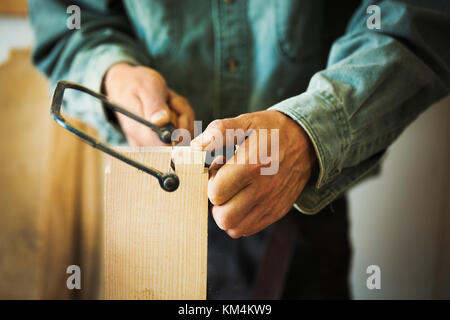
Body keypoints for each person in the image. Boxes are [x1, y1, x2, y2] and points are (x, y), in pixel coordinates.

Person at [29, 0, 450, 299]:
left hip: (304, 206)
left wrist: (310, 131)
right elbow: (69, 18)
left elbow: (416, 13)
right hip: (155, 218)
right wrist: (114, 74)